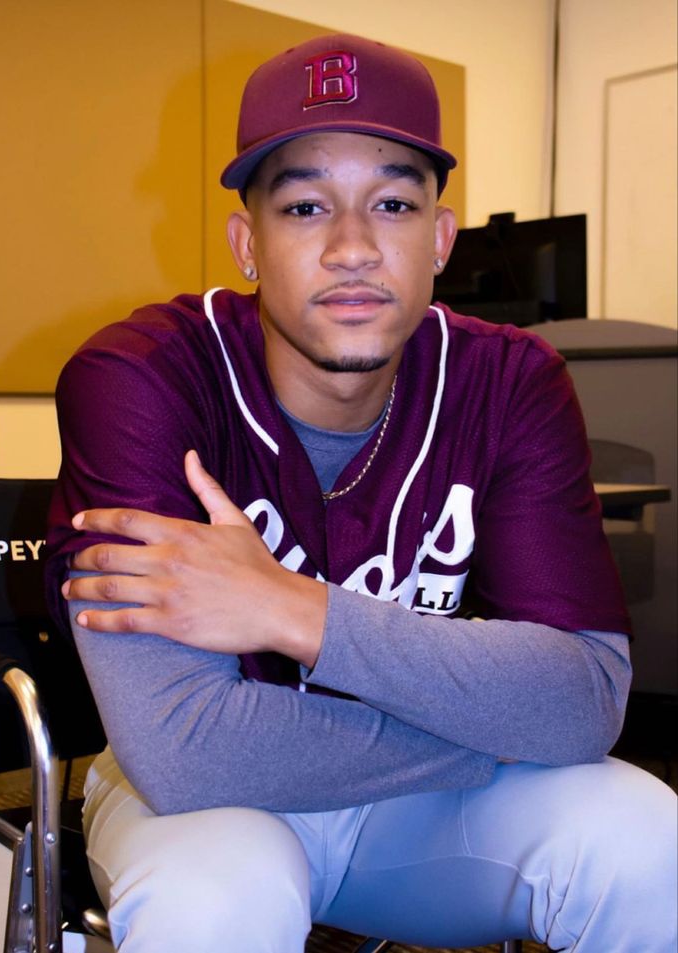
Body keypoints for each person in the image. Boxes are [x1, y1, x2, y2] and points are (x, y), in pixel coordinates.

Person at [46, 33, 677, 953]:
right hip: (203, 804)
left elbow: (585, 699)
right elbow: (185, 748)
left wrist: (290, 607)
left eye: (390, 202)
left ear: (440, 240)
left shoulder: (509, 379)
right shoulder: (141, 377)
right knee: (214, 896)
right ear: (246, 242)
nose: (351, 247)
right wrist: (510, 725)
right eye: (305, 205)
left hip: (412, 817)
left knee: (647, 831)